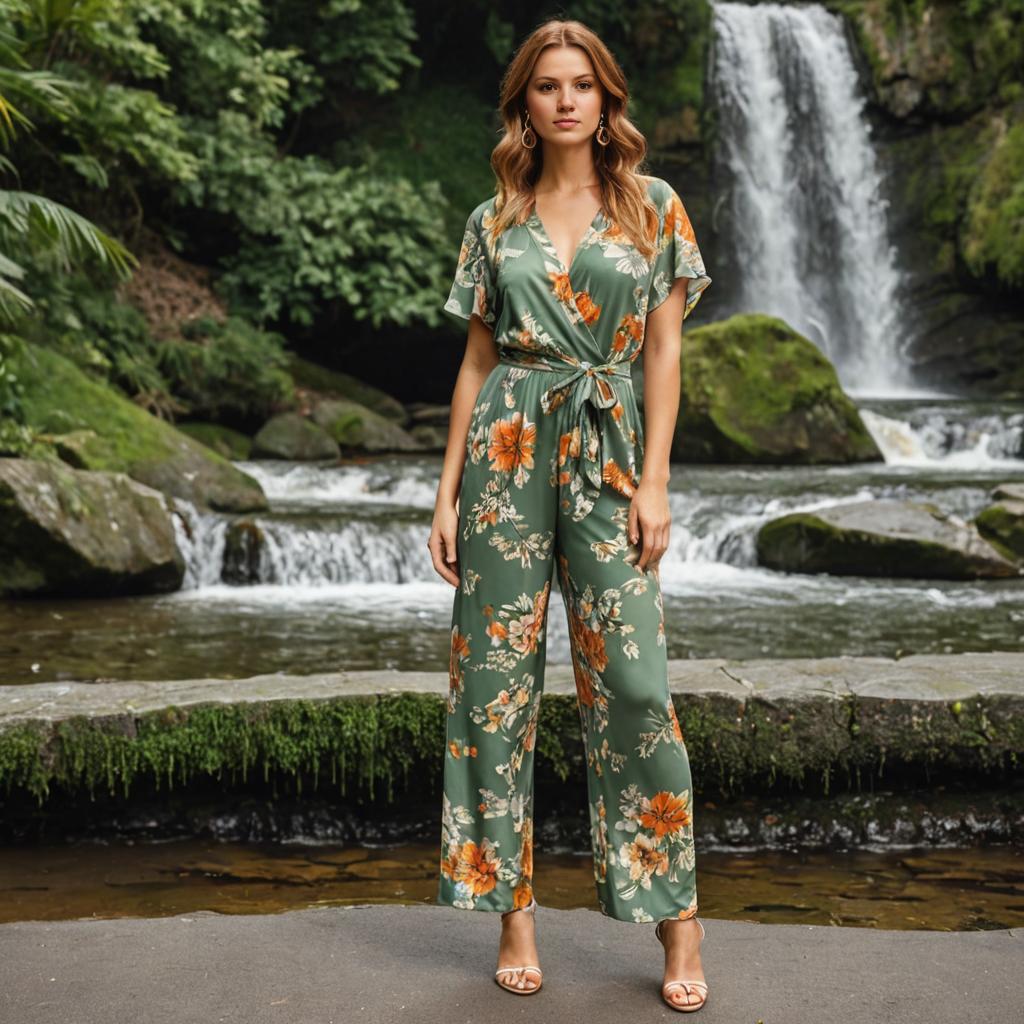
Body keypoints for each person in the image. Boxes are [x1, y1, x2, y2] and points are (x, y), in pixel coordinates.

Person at [427, 17, 712, 1013]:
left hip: (611, 457)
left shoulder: (653, 207)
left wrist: (659, 482)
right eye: (545, 84)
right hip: (505, 455)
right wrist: (446, 489)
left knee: (633, 684)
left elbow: (663, 354)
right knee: (493, 693)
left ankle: (676, 915)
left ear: (605, 100)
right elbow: (473, 360)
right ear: (524, 101)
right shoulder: (489, 221)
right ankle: (513, 913)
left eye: (579, 83)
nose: (563, 99)